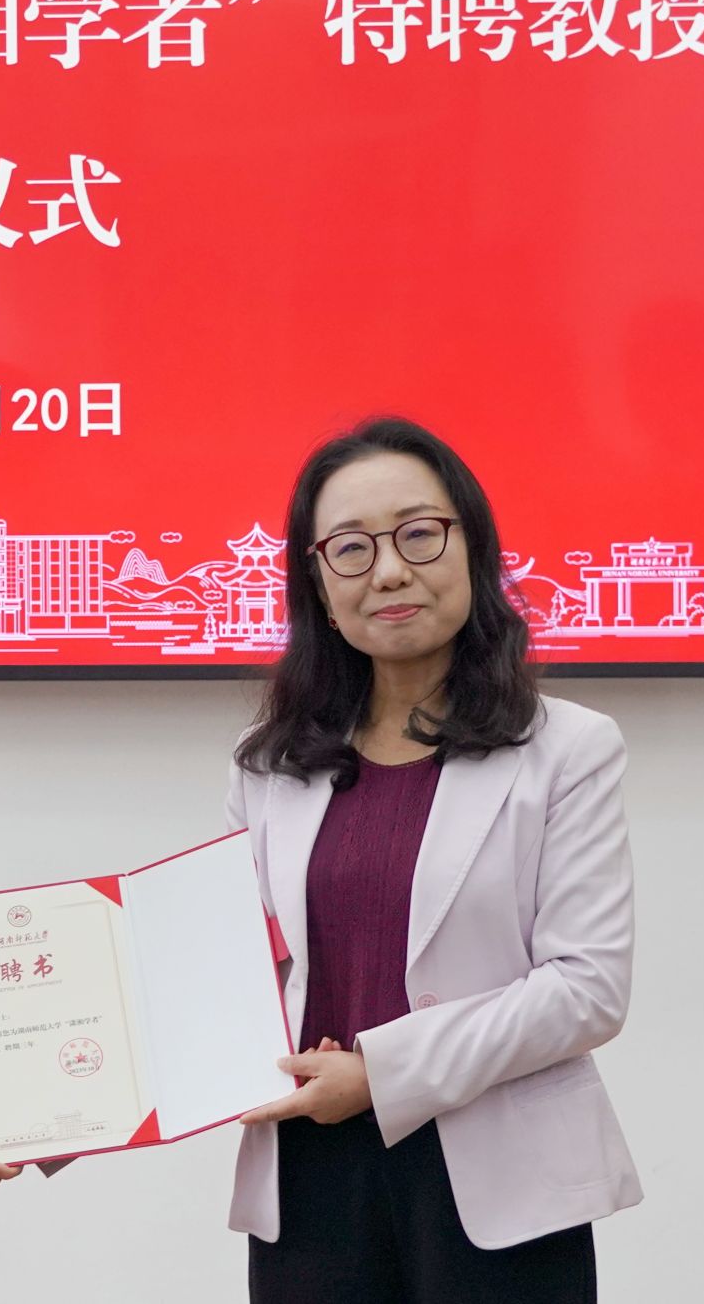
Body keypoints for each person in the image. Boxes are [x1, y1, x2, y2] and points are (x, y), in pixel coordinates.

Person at [227, 416, 642, 1302]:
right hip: (310, 1177)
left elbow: (587, 986)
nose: (387, 570)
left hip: (501, 1188)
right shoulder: (266, 764)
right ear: (318, 584)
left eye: (418, 534)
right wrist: (66, 1110)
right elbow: (229, 975)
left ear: (473, 548)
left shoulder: (569, 749)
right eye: (350, 548)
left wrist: (381, 1075)